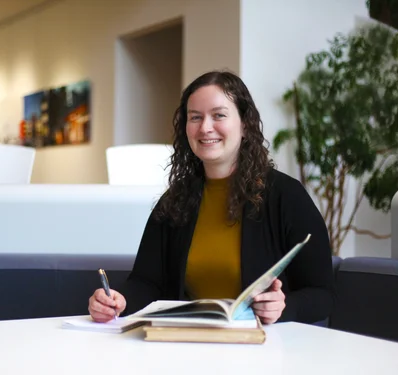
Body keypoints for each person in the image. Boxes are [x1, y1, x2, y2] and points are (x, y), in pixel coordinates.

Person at [88, 70, 336, 325]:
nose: (205, 128)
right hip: (186, 341)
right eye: (195, 117)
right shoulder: (175, 200)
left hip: (265, 349)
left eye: (219, 115)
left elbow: (322, 294)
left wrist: (283, 307)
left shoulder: (287, 196)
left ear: (245, 125)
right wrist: (118, 300)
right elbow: (147, 282)